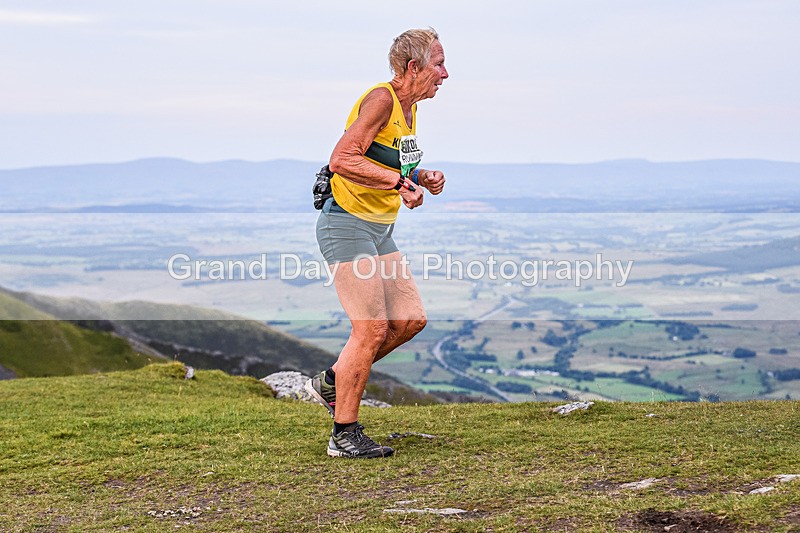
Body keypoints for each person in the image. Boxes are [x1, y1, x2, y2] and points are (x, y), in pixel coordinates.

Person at [304, 28, 449, 459]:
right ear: (413, 68)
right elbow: (342, 159)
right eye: (438, 64)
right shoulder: (382, 99)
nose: (445, 73)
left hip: (378, 227)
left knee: (409, 321)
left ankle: (332, 380)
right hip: (345, 224)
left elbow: (384, 159)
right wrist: (400, 182)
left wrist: (422, 177)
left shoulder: (409, 108)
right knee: (371, 329)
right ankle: (343, 434)